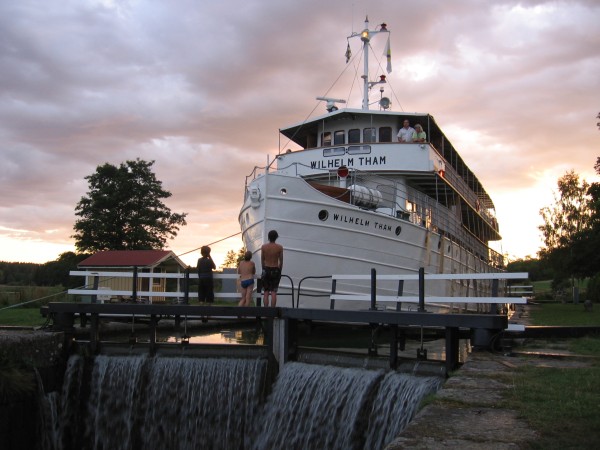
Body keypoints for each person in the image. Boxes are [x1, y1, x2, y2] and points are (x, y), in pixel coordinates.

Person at [260, 230, 283, 307]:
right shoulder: (279, 247)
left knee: (266, 292)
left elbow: (262, 260)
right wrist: (279, 271)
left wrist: (264, 270)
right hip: (275, 269)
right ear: (276, 237)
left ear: (268, 237)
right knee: (273, 292)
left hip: (266, 269)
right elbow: (281, 261)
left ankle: (266, 311)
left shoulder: (263, 247)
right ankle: (272, 313)